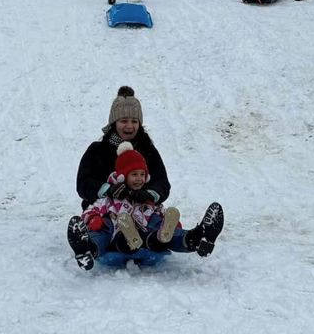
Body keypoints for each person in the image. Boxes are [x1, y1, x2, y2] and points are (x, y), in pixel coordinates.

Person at [68, 86, 224, 270]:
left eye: (134, 121)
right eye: (123, 120)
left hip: (143, 211)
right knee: (102, 229)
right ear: (113, 123)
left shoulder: (147, 149)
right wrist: (107, 189)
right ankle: (88, 249)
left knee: (160, 227)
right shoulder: (97, 150)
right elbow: (83, 183)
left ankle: (197, 238)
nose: (129, 126)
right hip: (106, 212)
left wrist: (148, 194)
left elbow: (162, 183)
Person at [79, 143, 180, 259]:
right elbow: (91, 209)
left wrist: (171, 222)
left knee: (156, 223)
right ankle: (90, 249)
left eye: (142, 174)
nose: (139, 178)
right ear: (122, 177)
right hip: (117, 238)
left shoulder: (146, 198)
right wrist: (93, 219)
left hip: (147, 237)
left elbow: (160, 209)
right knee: (104, 230)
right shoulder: (111, 199)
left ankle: (190, 238)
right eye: (134, 174)